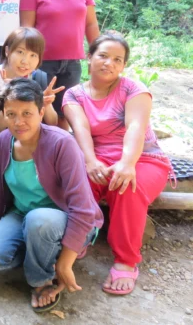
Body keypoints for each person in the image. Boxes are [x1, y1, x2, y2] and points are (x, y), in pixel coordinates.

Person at [0, 79, 103, 313]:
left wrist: (65, 264)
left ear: (41, 112)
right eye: (11, 114)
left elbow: (83, 209)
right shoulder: (3, 142)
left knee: (39, 220)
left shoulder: (62, 144)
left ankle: (41, 279)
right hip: (23, 214)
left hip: (65, 219)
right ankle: (44, 254)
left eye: (27, 113)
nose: (19, 122)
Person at [63, 33, 172, 296]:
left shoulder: (134, 89)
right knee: (78, 182)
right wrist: (90, 161)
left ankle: (126, 260)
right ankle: (81, 237)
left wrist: (127, 163)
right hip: (96, 156)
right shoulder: (74, 95)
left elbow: (135, 127)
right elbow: (81, 130)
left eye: (117, 59)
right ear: (89, 57)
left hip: (142, 158)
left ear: (123, 65)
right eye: (103, 55)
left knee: (127, 186)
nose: (109, 63)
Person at [20, 0, 100, 129]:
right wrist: (27, 65)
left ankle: (62, 145)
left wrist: (96, 55)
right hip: (42, 64)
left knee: (65, 112)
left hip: (73, 64)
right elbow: (26, 32)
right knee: (40, 111)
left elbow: (91, 24)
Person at [0, 27, 63, 135]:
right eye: (20, 52)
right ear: (7, 51)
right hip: (2, 141)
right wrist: (12, 94)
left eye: (33, 55)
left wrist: (46, 104)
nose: (25, 61)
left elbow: (52, 123)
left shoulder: (37, 78)